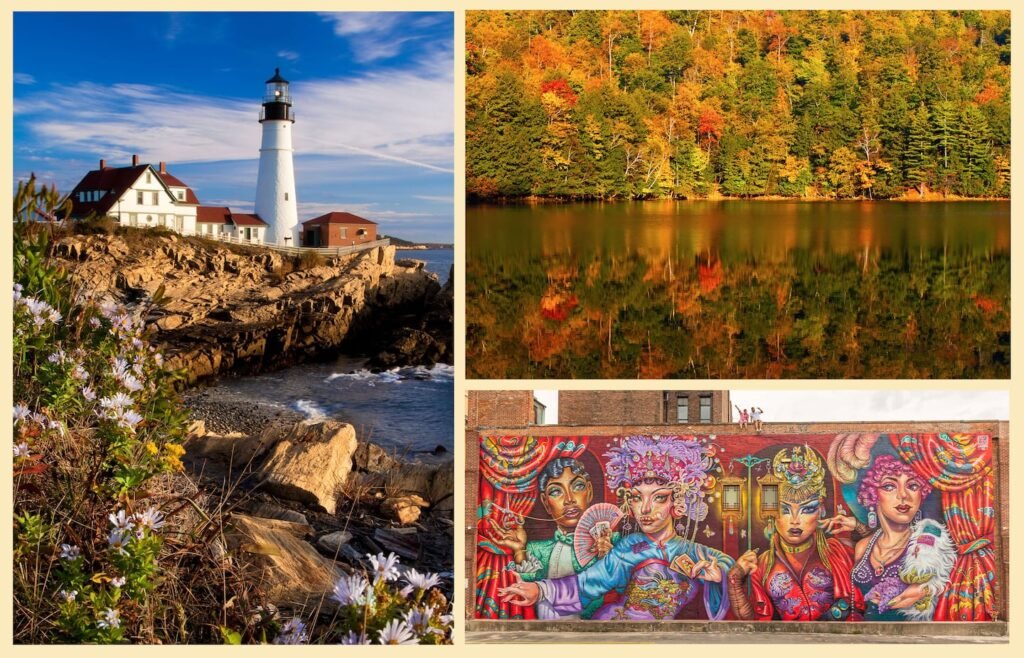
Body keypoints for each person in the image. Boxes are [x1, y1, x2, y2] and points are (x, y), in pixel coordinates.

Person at [497, 436, 734, 620]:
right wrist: (539, 590)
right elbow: (588, 582)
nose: (645, 509)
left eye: (659, 498)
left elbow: (729, 567)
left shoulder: (696, 553)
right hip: (616, 628)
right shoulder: (629, 546)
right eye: (637, 498)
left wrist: (719, 575)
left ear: (677, 505)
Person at [728, 446, 864, 621]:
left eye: (807, 509)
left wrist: (859, 526)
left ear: (821, 510)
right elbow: (751, 620)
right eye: (785, 510)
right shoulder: (762, 565)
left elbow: (882, 554)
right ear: (772, 512)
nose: (795, 520)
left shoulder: (838, 551)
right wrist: (734, 578)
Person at [488, 457, 618, 618]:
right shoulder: (537, 550)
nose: (569, 499)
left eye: (578, 486)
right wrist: (519, 550)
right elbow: (527, 585)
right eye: (556, 491)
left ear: (589, 491)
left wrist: (607, 560)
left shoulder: (612, 542)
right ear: (545, 502)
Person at [850, 455, 956, 621]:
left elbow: (942, 584)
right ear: (873, 494)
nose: (903, 495)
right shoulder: (863, 546)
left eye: (913, 486)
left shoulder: (927, 545)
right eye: (889, 486)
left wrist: (926, 589)